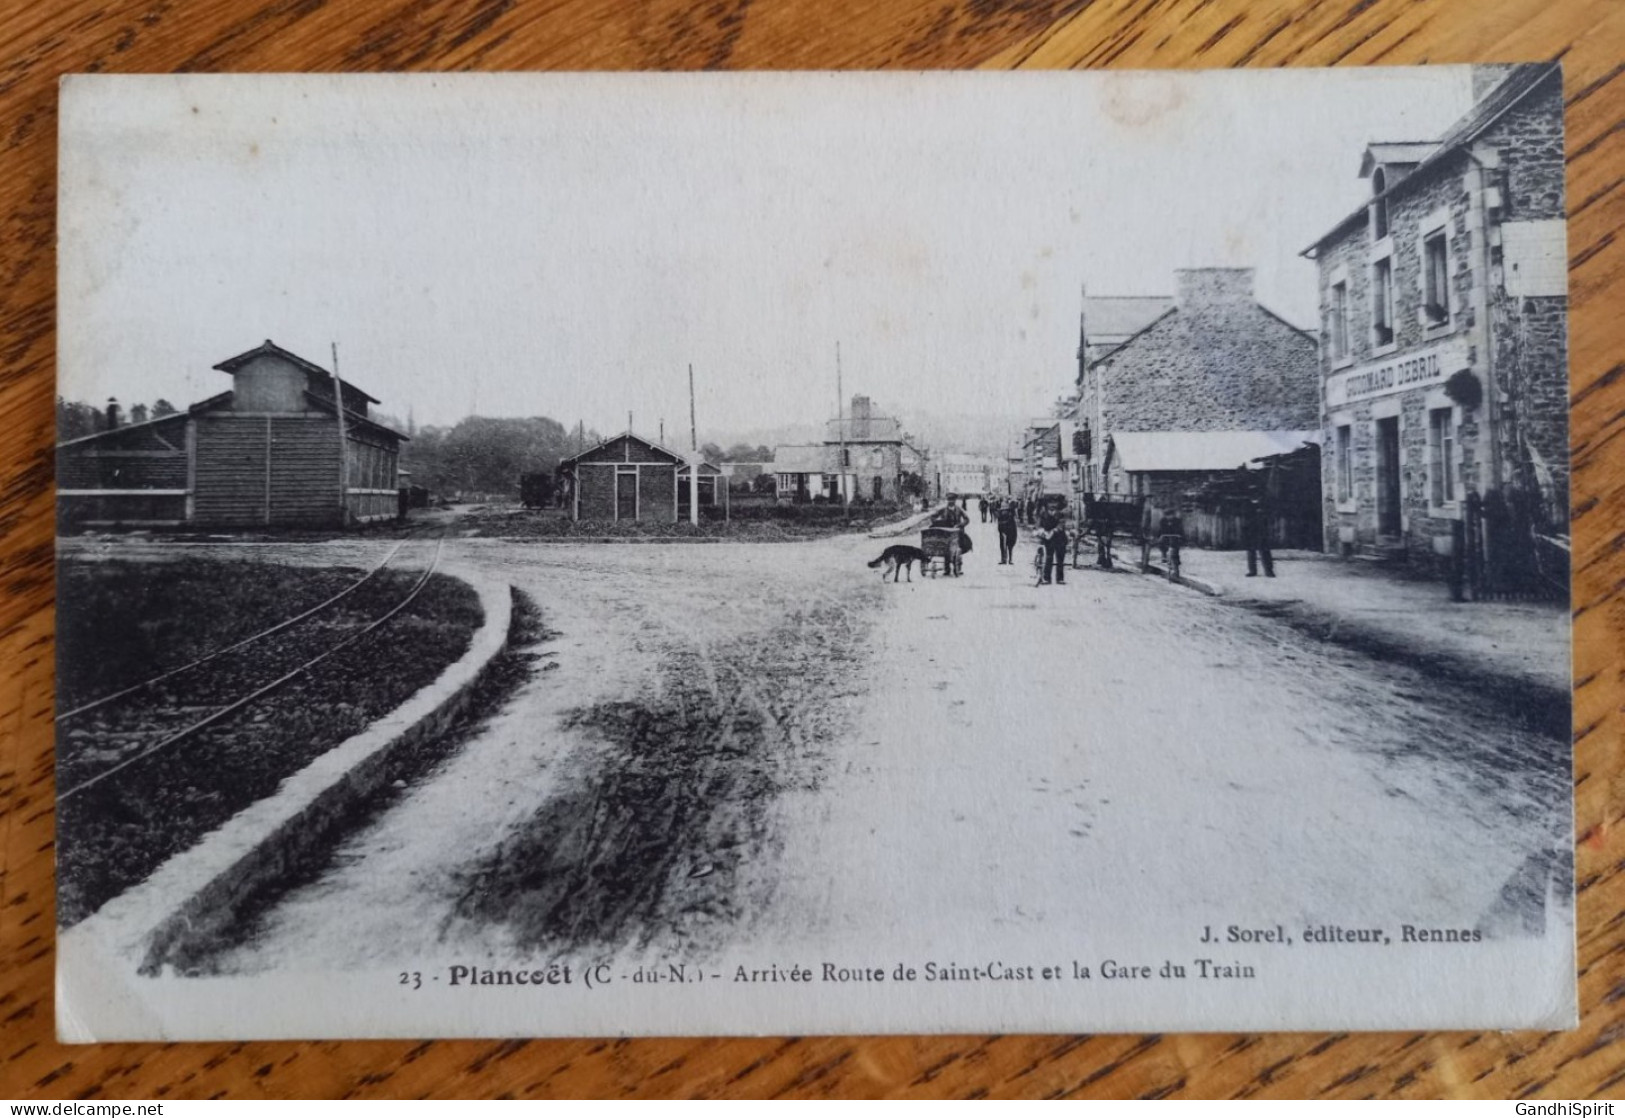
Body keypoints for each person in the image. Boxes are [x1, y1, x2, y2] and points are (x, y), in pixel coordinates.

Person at [1239, 463, 1275, 578]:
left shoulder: (1263, 503)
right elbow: (1245, 516)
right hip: (1251, 528)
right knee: (1251, 551)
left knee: (1264, 550)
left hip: (1261, 528)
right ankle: (1253, 571)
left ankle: (1269, 571)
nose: (1255, 496)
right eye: (1253, 494)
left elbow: (1267, 515)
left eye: (1257, 494)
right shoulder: (1247, 504)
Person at [1037, 502, 1068, 585]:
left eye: (1054, 509)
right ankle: (1047, 578)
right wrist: (1041, 531)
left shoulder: (1060, 514)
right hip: (1048, 539)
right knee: (1048, 558)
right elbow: (1039, 524)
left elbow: (1061, 525)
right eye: (1050, 509)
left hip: (1060, 539)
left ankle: (1060, 578)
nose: (1052, 511)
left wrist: (1053, 531)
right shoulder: (1043, 514)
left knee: (1060, 559)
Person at [996, 498, 1018, 564]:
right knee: (1003, 545)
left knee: (1010, 545)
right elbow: (999, 521)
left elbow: (1015, 518)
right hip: (1004, 529)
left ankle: (1009, 559)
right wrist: (1000, 529)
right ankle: (1004, 559)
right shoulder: (1002, 511)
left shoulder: (1012, 511)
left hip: (1011, 530)